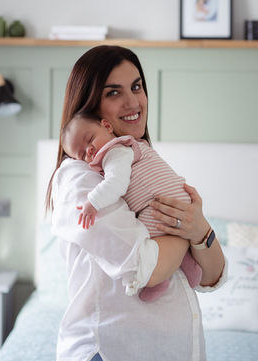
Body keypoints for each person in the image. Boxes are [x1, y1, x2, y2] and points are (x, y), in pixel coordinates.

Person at [47, 45, 226, 361]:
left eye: (137, 86)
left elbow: (212, 276)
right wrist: (187, 232)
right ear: (90, 107)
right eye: (113, 92)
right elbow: (145, 268)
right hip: (113, 350)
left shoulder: (143, 166)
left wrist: (200, 230)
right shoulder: (81, 179)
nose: (133, 102)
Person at [61, 111, 203, 301]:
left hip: (159, 202)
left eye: (90, 139)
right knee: (166, 233)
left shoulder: (115, 151)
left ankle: (161, 280)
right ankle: (190, 266)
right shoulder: (125, 149)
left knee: (146, 234)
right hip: (173, 199)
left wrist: (92, 202)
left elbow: (116, 183)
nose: (89, 150)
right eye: (82, 154)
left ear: (107, 126)